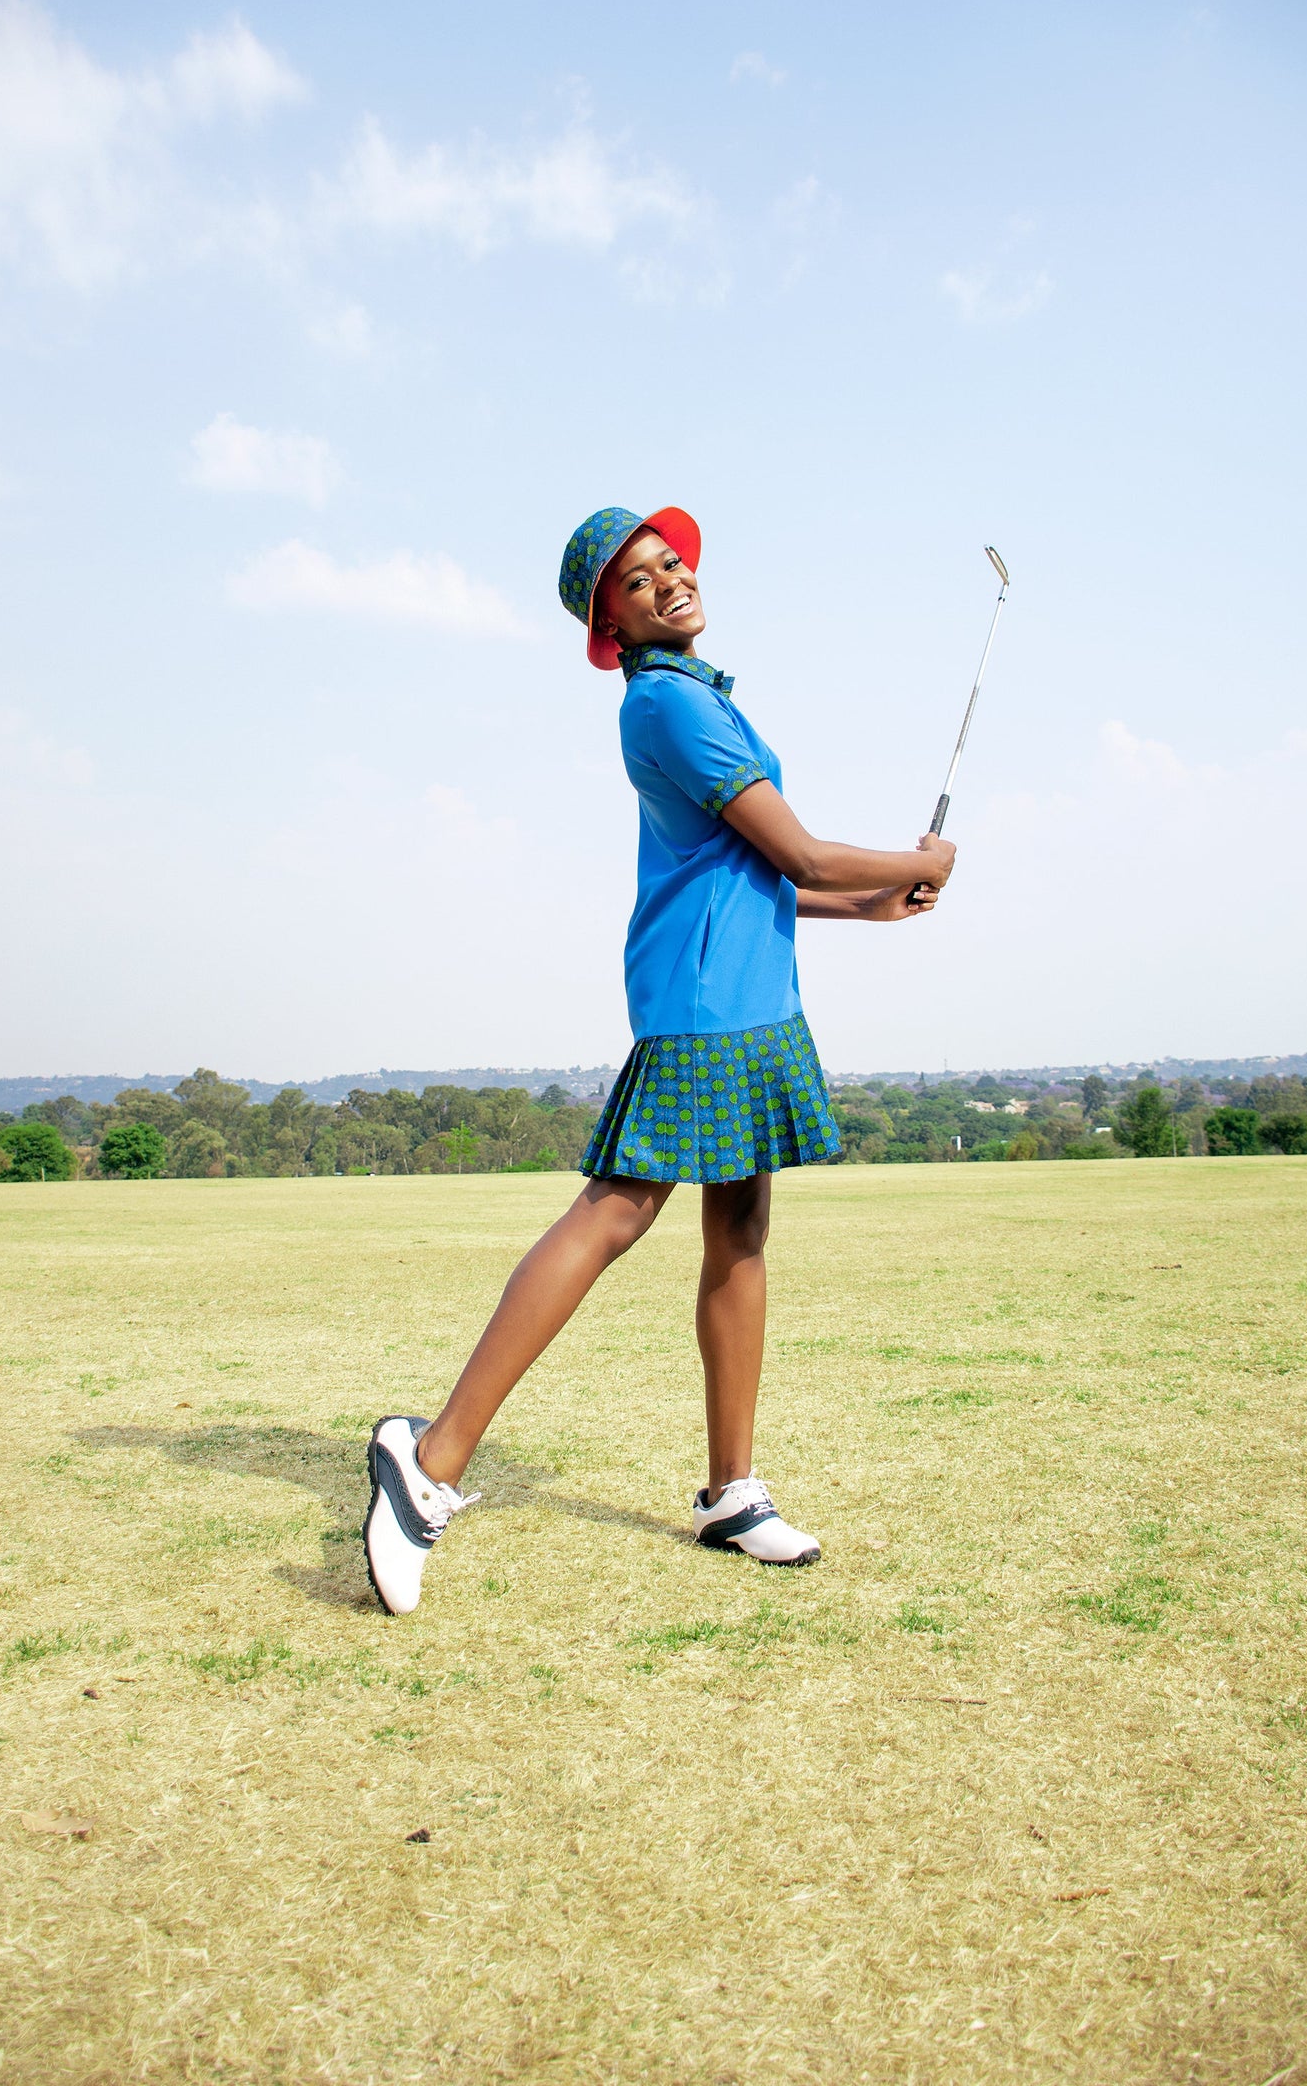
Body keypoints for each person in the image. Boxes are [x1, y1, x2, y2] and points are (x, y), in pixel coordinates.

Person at [363, 505, 956, 1614]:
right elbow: (800, 847)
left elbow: (763, 879)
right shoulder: (673, 705)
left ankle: (731, 1490)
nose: (667, 580)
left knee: (738, 1227)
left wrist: (868, 907)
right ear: (611, 624)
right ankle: (430, 1461)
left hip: (748, 1002)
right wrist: (920, 858)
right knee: (615, 1212)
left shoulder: (698, 696)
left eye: (670, 562)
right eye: (637, 581)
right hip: (705, 1012)